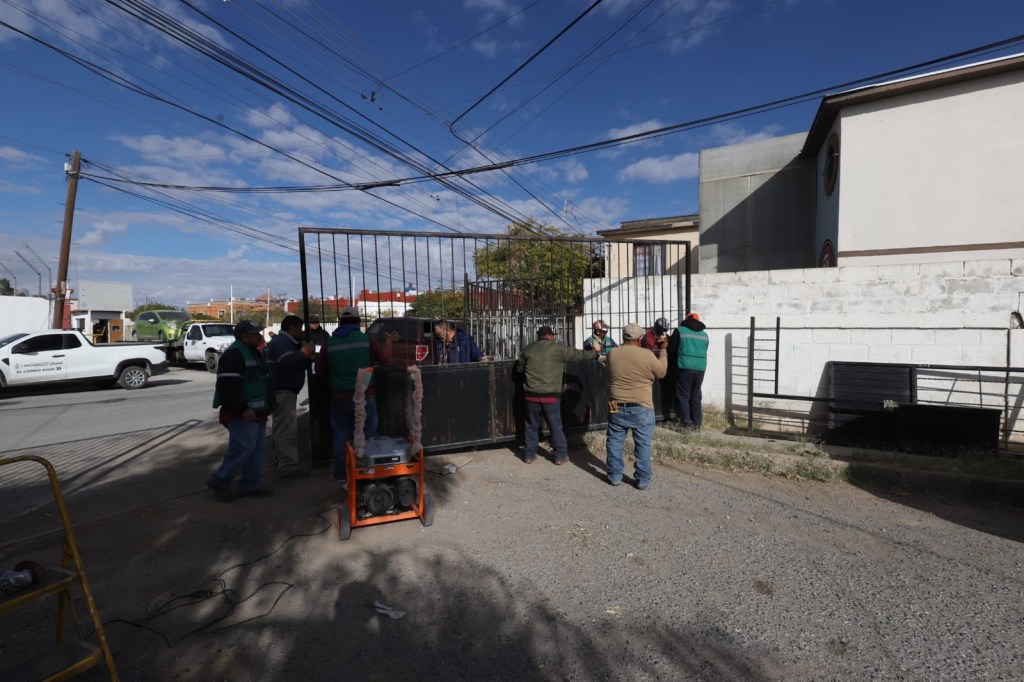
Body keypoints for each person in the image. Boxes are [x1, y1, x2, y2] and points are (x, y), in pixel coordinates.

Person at [319, 306, 395, 483]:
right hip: (365, 393)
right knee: (368, 433)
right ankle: (367, 470)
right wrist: (389, 342)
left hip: (339, 396)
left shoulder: (329, 343)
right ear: (358, 322)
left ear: (340, 322)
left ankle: (341, 474)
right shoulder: (367, 339)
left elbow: (320, 368)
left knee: (341, 434)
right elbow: (384, 358)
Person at [207, 320, 277, 502]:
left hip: (256, 412)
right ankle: (219, 481)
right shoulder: (234, 354)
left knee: (257, 450)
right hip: (241, 413)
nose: (260, 336)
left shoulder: (253, 352)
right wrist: (243, 408)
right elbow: (227, 386)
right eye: (256, 333)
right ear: (245, 337)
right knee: (243, 449)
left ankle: (250, 485)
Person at [516, 325, 599, 465]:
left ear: (539, 336)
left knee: (531, 426)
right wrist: (594, 354)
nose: (553, 338)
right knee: (555, 426)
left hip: (531, 396)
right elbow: (578, 354)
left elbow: (519, 369)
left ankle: (529, 455)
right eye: (553, 335)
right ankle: (560, 456)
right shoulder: (558, 349)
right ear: (549, 336)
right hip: (551, 396)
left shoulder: (527, 349)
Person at [605, 322, 667, 490]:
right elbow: (661, 373)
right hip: (641, 405)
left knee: (614, 441)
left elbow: (608, 371)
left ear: (623, 336)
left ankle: (615, 476)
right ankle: (642, 479)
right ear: (639, 339)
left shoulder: (612, 353)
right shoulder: (646, 354)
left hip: (615, 403)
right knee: (643, 443)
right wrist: (663, 351)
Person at [266, 315, 315, 478]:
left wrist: (305, 356)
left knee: (282, 429)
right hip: (283, 391)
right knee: (286, 430)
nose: (301, 332)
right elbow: (287, 362)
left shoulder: (285, 342)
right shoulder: (282, 342)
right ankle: (287, 467)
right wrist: (305, 352)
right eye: (299, 328)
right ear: (291, 328)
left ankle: (282, 461)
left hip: (285, 391)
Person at [305, 314, 333, 467]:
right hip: (310, 363)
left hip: (321, 364)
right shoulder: (306, 335)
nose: (315, 324)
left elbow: (327, 347)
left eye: (316, 322)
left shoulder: (324, 334)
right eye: (312, 322)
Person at [675, 312, 710, 431]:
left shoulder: (680, 331)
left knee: (683, 395)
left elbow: (672, 348)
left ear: (687, 320)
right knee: (696, 396)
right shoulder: (704, 335)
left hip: (685, 366)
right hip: (700, 368)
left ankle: (686, 425)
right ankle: (697, 424)